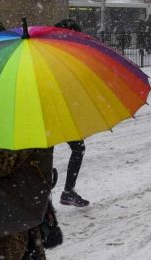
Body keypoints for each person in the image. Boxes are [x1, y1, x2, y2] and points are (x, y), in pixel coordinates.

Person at [54, 19, 91, 207]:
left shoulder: (55, 50)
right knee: (46, 152)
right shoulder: (60, 53)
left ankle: (62, 193)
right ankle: (64, 192)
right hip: (54, 110)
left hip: (58, 110)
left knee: (76, 148)